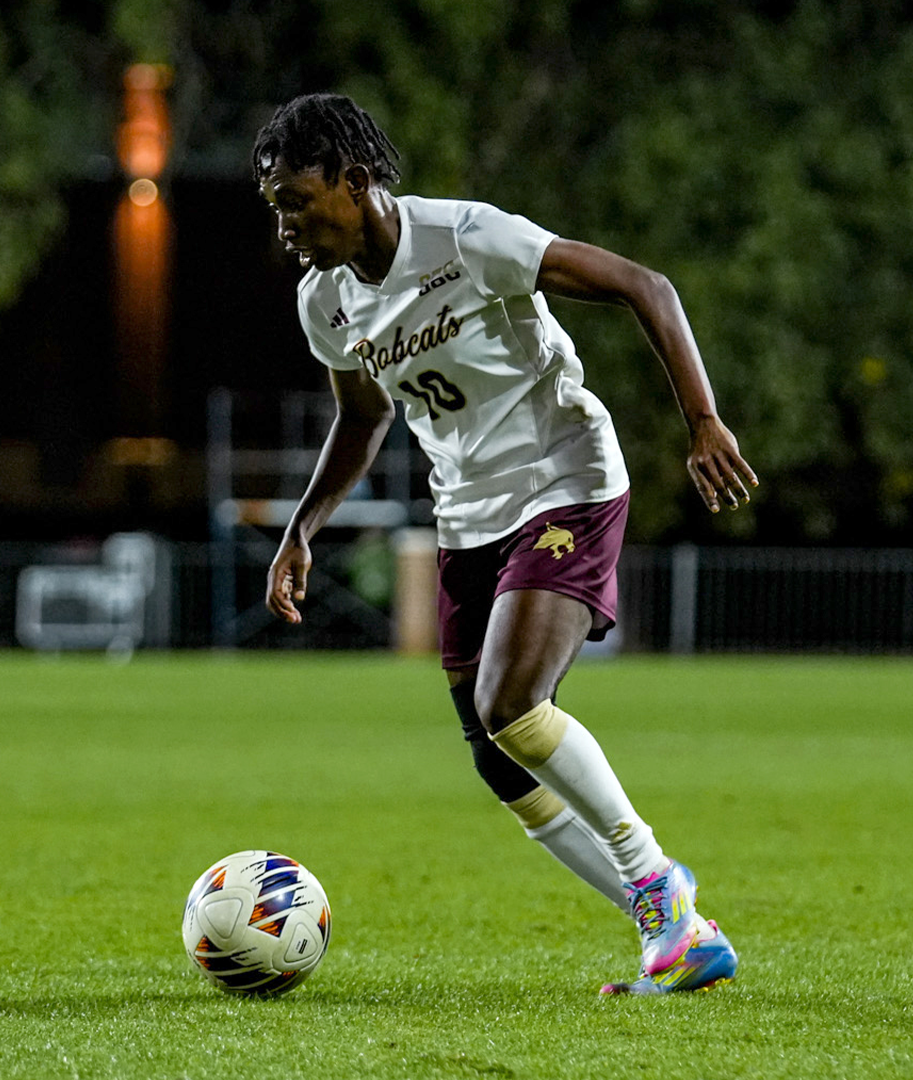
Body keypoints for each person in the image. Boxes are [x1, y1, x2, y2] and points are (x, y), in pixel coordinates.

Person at [254, 93, 757, 995]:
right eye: (275, 207)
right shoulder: (323, 301)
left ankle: (656, 883)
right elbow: (362, 417)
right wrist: (301, 529)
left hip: (566, 478)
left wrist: (704, 419)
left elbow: (648, 286)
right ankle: (681, 931)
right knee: (496, 756)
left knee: (513, 704)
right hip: (468, 517)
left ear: (356, 181)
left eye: (297, 200)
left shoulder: (469, 238)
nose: (285, 225)